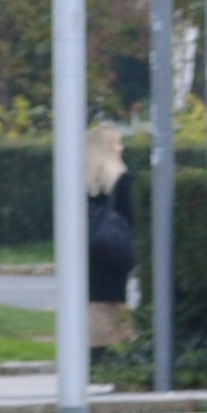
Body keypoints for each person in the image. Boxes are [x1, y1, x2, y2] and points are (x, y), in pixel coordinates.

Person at [78, 122, 138, 354]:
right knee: (113, 302)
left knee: (93, 302)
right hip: (113, 250)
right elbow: (130, 217)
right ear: (108, 149)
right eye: (117, 144)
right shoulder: (121, 180)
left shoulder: (80, 182)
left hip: (88, 251)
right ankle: (111, 352)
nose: (121, 148)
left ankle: (95, 349)